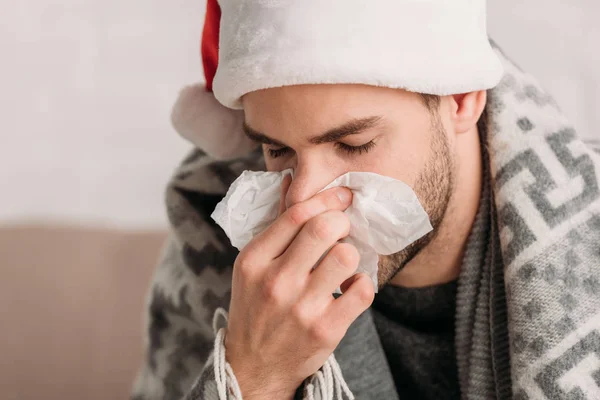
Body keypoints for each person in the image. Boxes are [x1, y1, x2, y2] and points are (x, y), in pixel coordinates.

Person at [131, 0, 600, 399]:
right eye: (277, 149)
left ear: (460, 99)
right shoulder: (218, 242)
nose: (304, 198)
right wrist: (254, 376)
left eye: (353, 145)